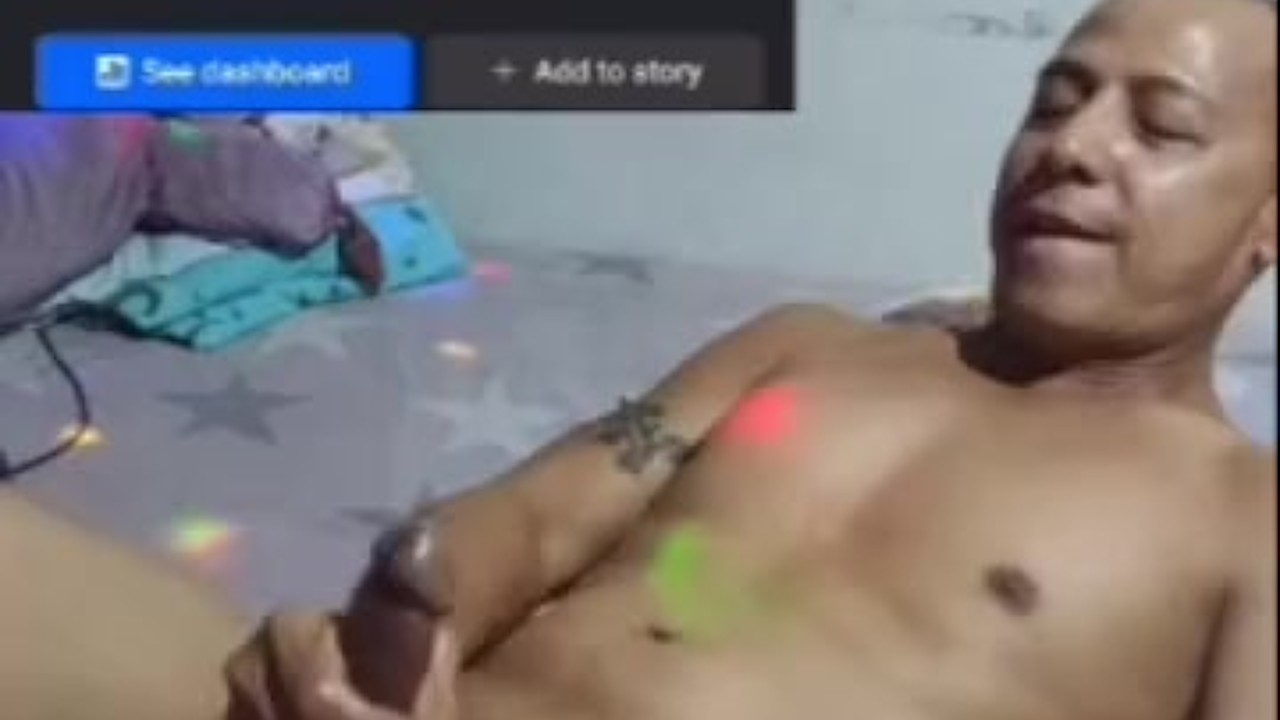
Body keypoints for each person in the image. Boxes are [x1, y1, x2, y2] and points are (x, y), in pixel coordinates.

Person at [0, 0, 1272, 717]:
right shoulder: (805, 349)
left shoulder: (1242, 521)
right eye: (1052, 101)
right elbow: (540, 517)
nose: (1071, 148)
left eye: (1159, 127)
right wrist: (407, 640)